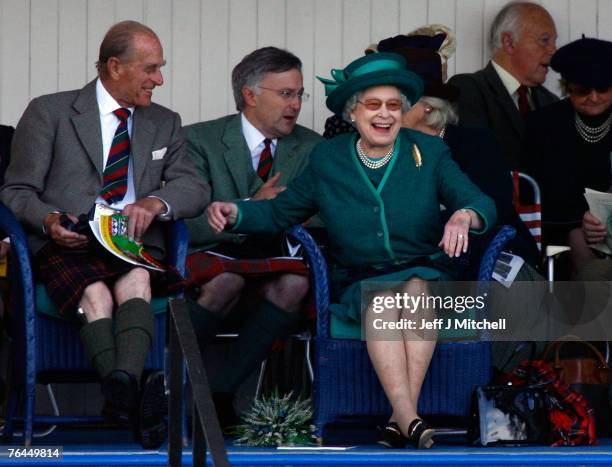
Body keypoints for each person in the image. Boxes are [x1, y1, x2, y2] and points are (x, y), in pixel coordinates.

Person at [207, 52, 497, 449]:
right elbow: (280, 212)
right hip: (363, 278)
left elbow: (481, 202)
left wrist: (463, 216)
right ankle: (409, 417)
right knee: (381, 303)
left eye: (394, 105)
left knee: (416, 294)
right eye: (373, 105)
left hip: (425, 271)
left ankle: (402, 419)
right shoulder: (329, 158)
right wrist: (236, 213)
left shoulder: (429, 153)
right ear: (352, 111)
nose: (385, 115)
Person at [0, 21, 208, 448]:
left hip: (131, 242)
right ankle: (134, 392)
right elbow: (17, 190)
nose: (159, 79)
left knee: (138, 278)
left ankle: (121, 395)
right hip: (68, 238)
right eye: (150, 69)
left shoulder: (165, 122)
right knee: (94, 290)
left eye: (160, 69)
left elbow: (194, 187)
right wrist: (49, 221)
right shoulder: (49, 111)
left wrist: (154, 203)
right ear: (115, 66)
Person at [184, 47, 322, 428]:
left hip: (280, 257)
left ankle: (219, 394)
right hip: (214, 257)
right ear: (250, 95)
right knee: (227, 280)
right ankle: (169, 388)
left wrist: (284, 218)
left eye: (299, 94)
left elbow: (323, 215)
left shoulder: (312, 148)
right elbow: (186, 218)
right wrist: (249, 207)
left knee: (295, 284)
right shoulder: (198, 140)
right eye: (285, 94)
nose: (295, 104)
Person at [525, 37, 612, 278]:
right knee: (579, 240)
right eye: (583, 90)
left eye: (603, 88)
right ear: (567, 87)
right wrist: (583, 221)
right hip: (565, 226)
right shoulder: (543, 125)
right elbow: (537, 192)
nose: (593, 97)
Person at [448, 1, 558, 170]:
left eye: (553, 42)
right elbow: (476, 159)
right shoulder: (468, 89)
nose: (553, 50)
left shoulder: (551, 102)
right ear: (508, 42)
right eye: (544, 41)